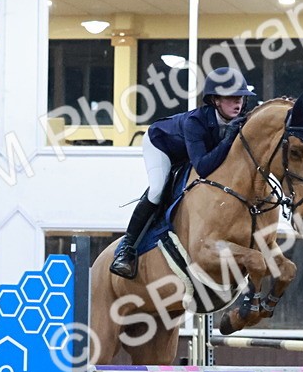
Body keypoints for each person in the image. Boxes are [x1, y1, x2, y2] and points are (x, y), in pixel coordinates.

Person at [109, 67, 255, 279]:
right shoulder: (194, 122)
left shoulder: (240, 118)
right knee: (158, 190)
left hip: (190, 153)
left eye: (240, 97)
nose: (238, 102)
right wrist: (228, 139)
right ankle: (126, 249)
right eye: (231, 97)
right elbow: (204, 167)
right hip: (162, 145)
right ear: (215, 100)